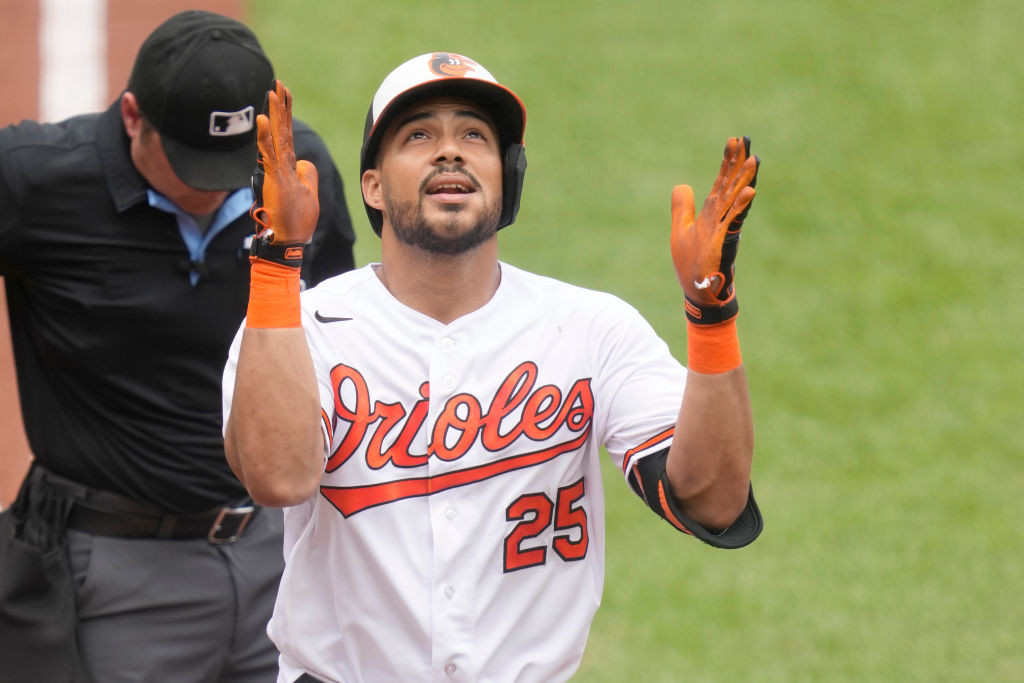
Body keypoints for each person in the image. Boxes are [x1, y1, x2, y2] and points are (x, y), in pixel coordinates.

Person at [223, 52, 763, 682]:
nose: (449, 152)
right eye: (418, 135)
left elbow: (715, 500)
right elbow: (277, 478)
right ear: (372, 185)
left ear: (507, 177)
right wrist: (276, 265)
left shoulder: (592, 328)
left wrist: (712, 318)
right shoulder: (299, 327)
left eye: (474, 136)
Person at [0, 10, 355, 683]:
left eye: (234, 160)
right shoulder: (36, 182)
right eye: (194, 162)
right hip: (118, 573)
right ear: (133, 117)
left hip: (276, 561)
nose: (218, 185)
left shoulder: (295, 179)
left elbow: (347, 344)